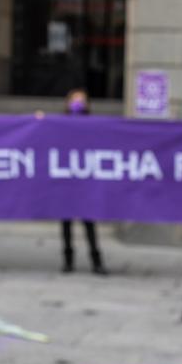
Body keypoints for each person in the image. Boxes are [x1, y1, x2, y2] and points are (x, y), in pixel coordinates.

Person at [57, 88, 107, 275]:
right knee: (66, 225)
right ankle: (68, 260)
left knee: (89, 224)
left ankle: (96, 260)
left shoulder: (93, 125)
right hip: (66, 183)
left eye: (81, 100)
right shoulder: (59, 124)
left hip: (85, 184)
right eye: (74, 100)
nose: (78, 103)